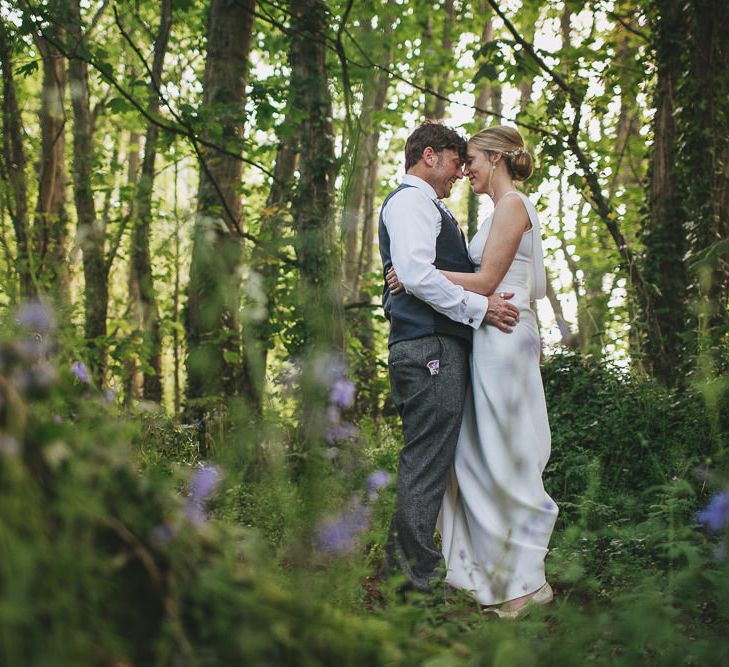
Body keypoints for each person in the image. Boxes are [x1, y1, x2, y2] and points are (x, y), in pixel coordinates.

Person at [387, 125, 558, 617]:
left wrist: (417, 273)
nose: (466, 170)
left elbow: (486, 280)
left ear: (496, 159)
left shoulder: (511, 207)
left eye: (473, 161)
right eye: (460, 162)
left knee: (506, 455)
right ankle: (499, 578)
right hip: (487, 334)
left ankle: (526, 583)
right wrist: (419, 272)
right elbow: (482, 281)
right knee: (477, 460)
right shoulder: (491, 211)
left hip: (502, 336)